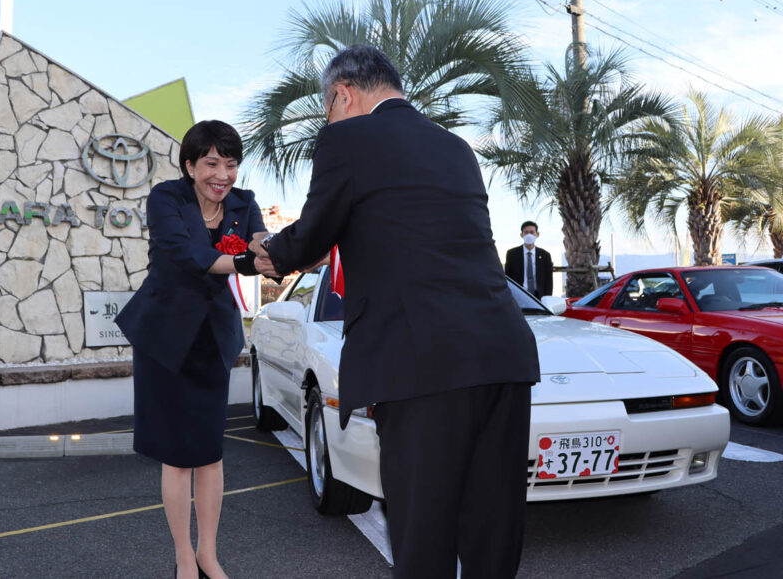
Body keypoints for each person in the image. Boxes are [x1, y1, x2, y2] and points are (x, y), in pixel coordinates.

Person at [250, 45, 540, 578]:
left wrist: (266, 249)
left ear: (343, 94)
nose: (329, 119)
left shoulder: (346, 138)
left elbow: (313, 233)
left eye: (328, 107)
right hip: (504, 353)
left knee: (422, 533)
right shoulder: (456, 148)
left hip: (422, 364)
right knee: (492, 530)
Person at [115, 120, 275, 579]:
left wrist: (280, 248)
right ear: (189, 165)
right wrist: (246, 260)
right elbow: (185, 254)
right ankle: (184, 556)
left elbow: (259, 240)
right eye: (211, 163)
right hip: (164, 337)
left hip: (211, 339)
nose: (222, 174)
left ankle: (209, 553)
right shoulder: (167, 199)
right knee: (177, 454)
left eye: (230, 164)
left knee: (209, 451)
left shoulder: (243, 203)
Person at [504, 221, 554, 298]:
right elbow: (508, 276)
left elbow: (548, 280)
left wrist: (548, 298)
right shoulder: (512, 254)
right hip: (519, 295)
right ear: (521, 235)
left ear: (537, 234)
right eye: (526, 232)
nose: (529, 235)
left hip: (539, 297)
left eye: (532, 232)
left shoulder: (545, 255)